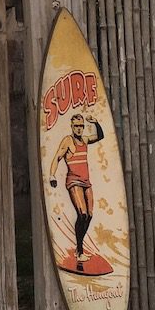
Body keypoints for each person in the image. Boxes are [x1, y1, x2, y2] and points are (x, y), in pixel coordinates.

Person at [49, 113, 104, 272]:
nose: (79, 129)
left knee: (90, 215)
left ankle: (78, 248)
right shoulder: (68, 141)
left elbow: (100, 136)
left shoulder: (85, 140)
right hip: (74, 181)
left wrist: (96, 122)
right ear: (72, 127)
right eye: (76, 126)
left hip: (86, 182)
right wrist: (52, 175)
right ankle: (79, 251)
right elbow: (57, 158)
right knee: (83, 214)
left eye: (81, 126)